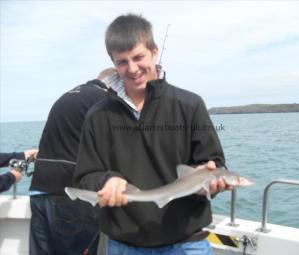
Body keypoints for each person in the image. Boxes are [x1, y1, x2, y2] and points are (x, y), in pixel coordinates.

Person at [74, 14, 229, 255]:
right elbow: (84, 175)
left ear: (154, 51)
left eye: (138, 57)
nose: (132, 69)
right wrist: (106, 180)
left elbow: (215, 164)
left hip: (187, 242)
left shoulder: (190, 105)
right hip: (124, 245)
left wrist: (210, 185)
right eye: (122, 62)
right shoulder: (98, 115)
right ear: (113, 63)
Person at [28, 69, 115, 255]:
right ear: (114, 84)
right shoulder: (103, 100)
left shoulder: (66, 96)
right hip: (70, 195)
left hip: (39, 191)